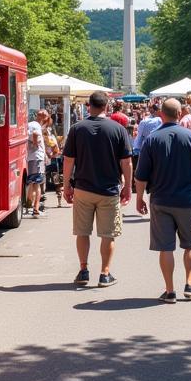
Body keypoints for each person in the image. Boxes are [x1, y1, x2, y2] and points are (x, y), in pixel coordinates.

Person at [134, 98, 191, 303]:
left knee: (166, 247)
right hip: (187, 199)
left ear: (161, 114)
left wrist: (140, 198)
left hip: (160, 200)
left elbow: (141, 175)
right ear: (180, 114)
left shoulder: (151, 139)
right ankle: (190, 284)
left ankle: (169, 291)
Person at [62, 91, 133, 288]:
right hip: (109, 190)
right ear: (107, 106)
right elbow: (126, 162)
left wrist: (66, 185)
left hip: (83, 188)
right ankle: (105, 273)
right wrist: (128, 186)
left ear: (88, 106)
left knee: (82, 232)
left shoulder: (77, 129)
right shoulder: (118, 129)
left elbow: (69, 160)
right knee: (107, 234)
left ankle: (84, 270)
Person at [41, 110, 64, 205]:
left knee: (56, 179)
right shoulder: (44, 131)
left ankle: (59, 201)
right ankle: (42, 201)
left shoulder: (48, 131)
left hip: (53, 159)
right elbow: (49, 144)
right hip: (49, 159)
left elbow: (53, 144)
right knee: (50, 179)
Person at [26, 110, 46, 217]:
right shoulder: (36, 125)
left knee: (31, 182)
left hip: (29, 158)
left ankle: (29, 204)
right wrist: (35, 142)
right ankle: (36, 208)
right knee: (37, 183)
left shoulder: (28, 125)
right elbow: (35, 134)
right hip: (37, 157)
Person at [134, 98, 163, 166]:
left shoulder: (145, 122)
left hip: (148, 152)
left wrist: (136, 152)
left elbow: (139, 140)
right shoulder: (166, 121)